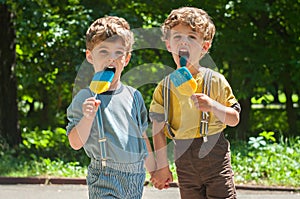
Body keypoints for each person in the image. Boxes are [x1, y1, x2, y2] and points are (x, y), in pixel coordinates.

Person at [149, 7, 241, 199]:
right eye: (177, 37)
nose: (184, 42)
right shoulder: (164, 88)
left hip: (215, 155)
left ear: (204, 47)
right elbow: (158, 129)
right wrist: (162, 166)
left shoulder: (215, 81)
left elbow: (234, 119)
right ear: (168, 45)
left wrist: (213, 106)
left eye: (192, 37)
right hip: (183, 158)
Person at [66, 16, 155, 199]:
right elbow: (75, 143)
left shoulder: (134, 96)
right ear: (90, 56)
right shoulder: (85, 98)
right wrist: (87, 118)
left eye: (118, 53)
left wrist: (155, 170)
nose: (111, 59)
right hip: (104, 176)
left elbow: (142, 136)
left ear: (127, 59)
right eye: (104, 52)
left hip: (135, 177)